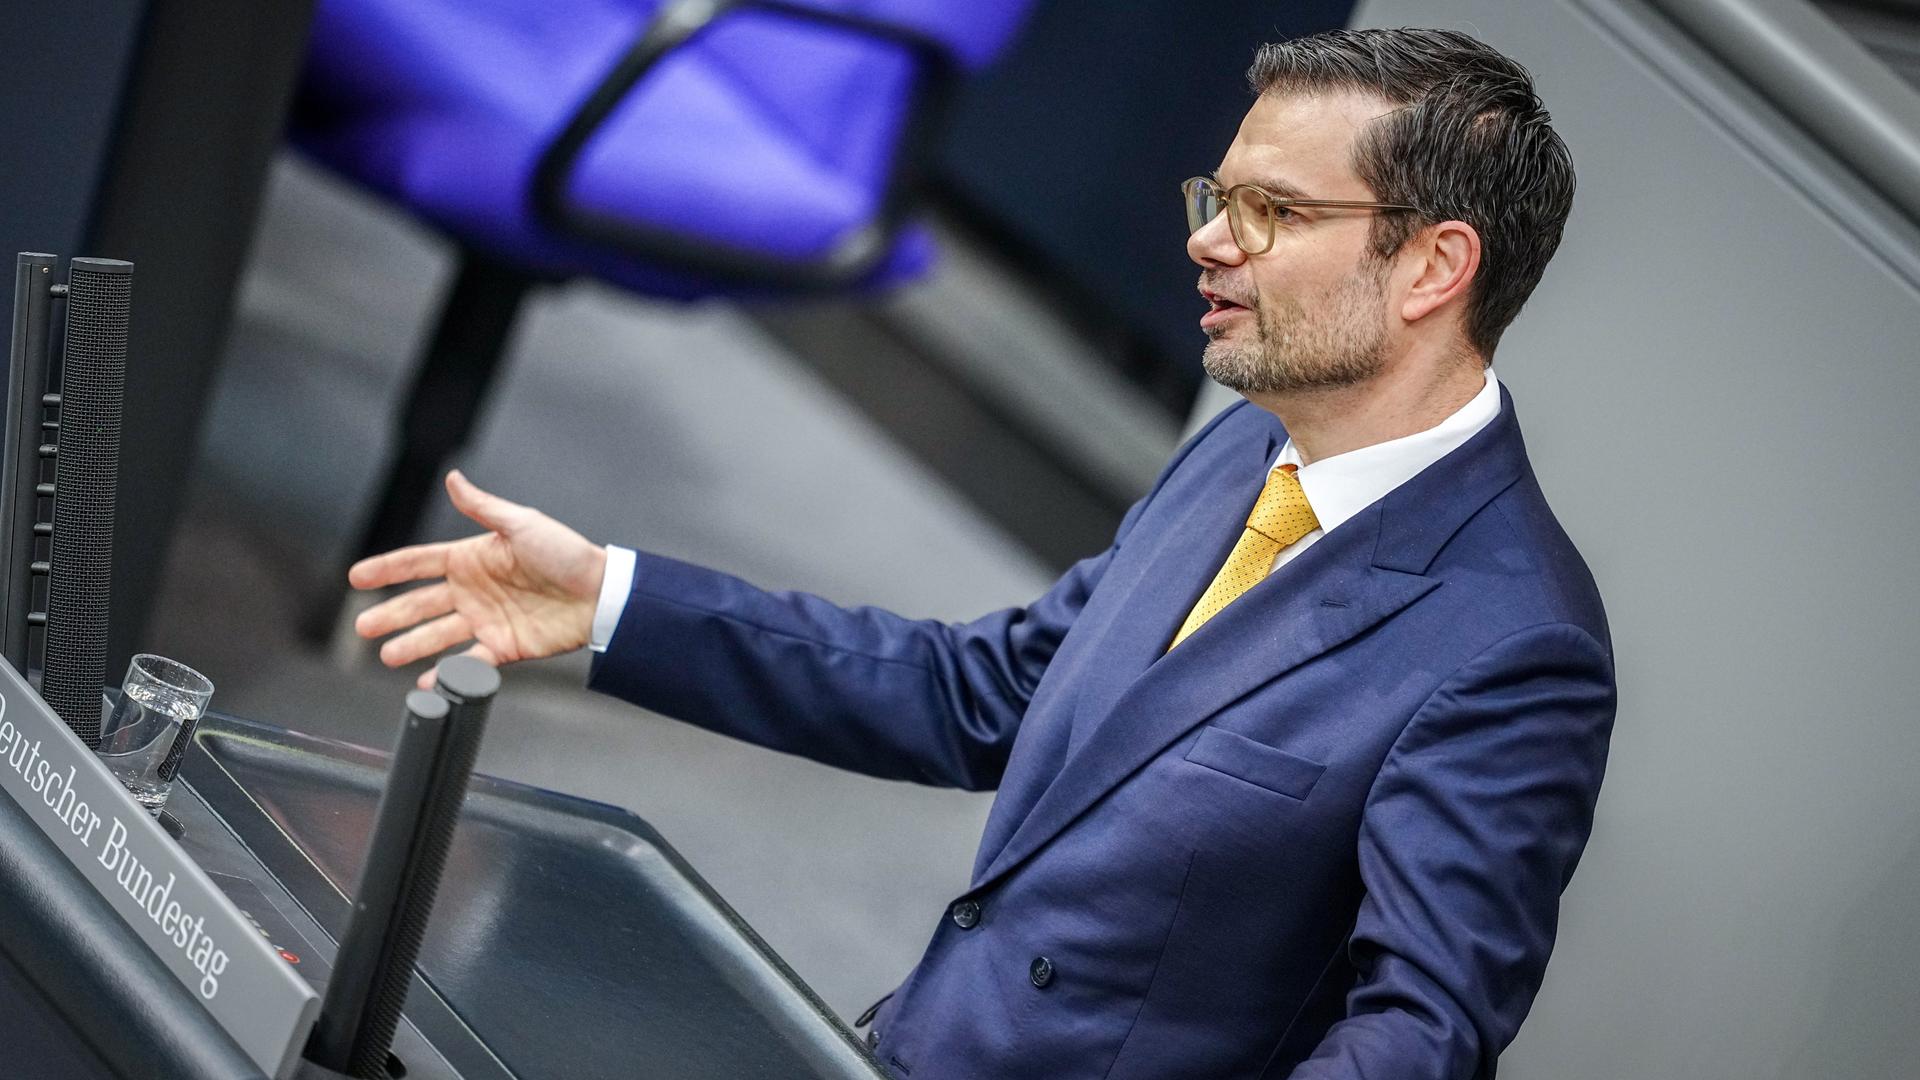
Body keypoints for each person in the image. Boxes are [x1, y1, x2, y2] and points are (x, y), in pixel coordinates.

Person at [350, 27, 1614, 1080]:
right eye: (1217, 197)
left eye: (1272, 212)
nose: (1210, 240)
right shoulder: (1245, 453)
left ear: (1434, 267)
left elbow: (1418, 1042)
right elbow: (985, 695)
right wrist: (615, 601)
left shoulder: (1515, 649)